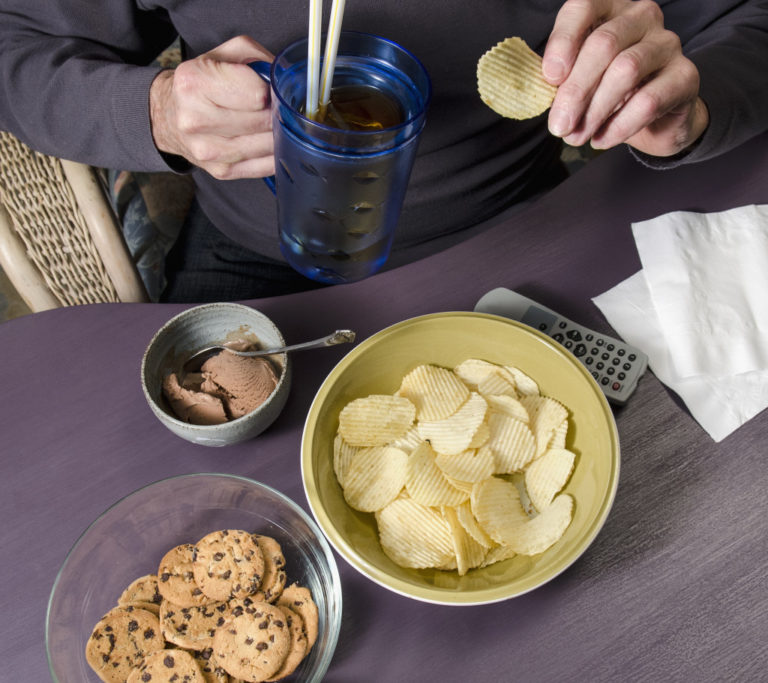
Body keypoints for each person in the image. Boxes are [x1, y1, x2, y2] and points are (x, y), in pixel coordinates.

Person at [1, 0, 766, 302]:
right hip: (256, 256)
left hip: (526, 225)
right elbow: (18, 49)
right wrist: (154, 112)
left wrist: (691, 105)